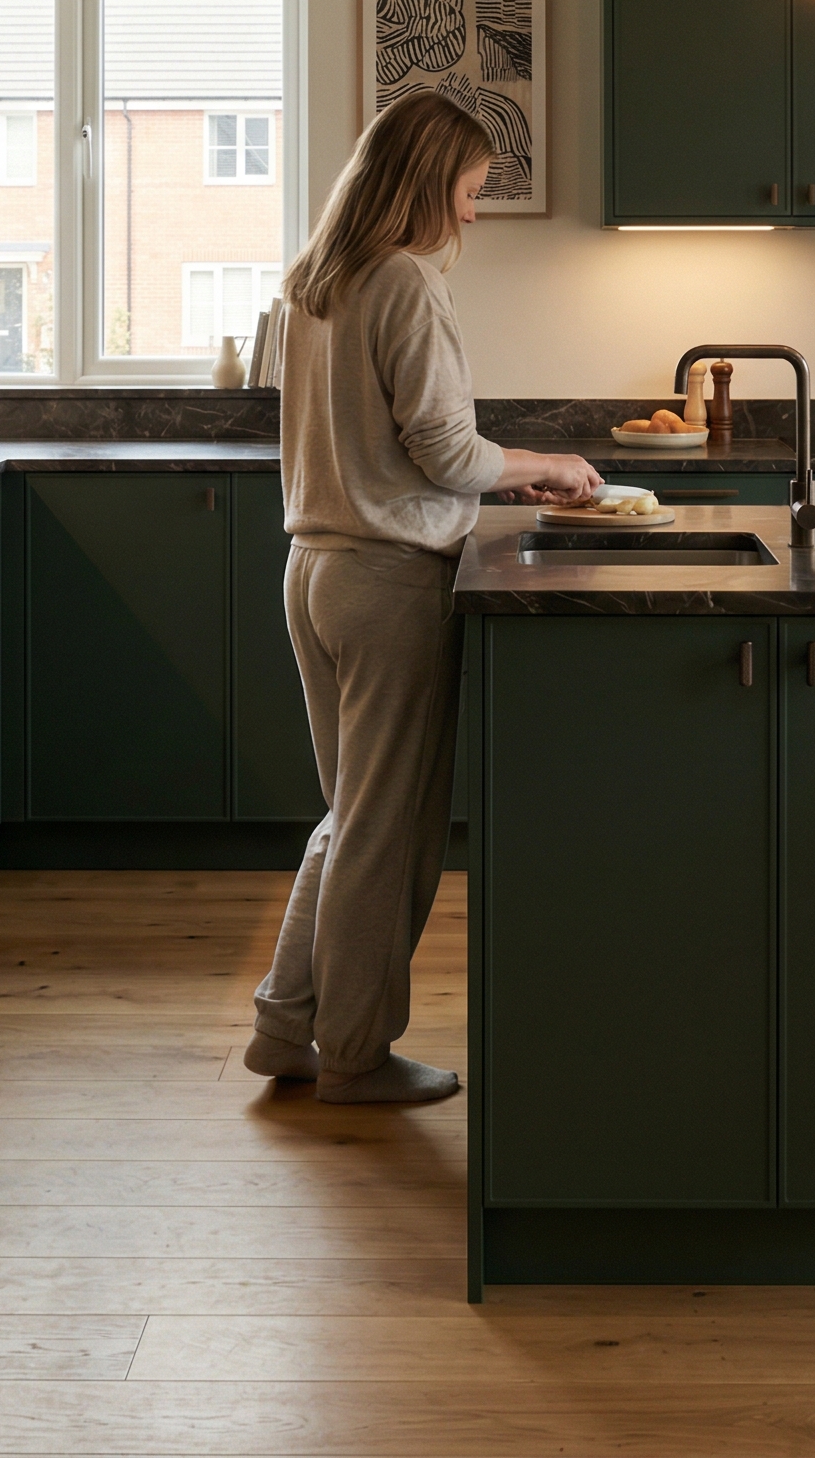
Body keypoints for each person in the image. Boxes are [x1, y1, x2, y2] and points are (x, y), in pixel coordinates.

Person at [245, 91, 603, 1103]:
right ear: (425, 182)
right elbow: (443, 450)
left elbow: (391, 447)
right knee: (386, 830)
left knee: (348, 813)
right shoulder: (403, 279)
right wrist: (547, 463)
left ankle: (286, 1023)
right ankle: (355, 1055)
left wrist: (504, 475)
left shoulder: (317, 282)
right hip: (387, 581)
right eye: (470, 189)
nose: (475, 214)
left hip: (313, 570)